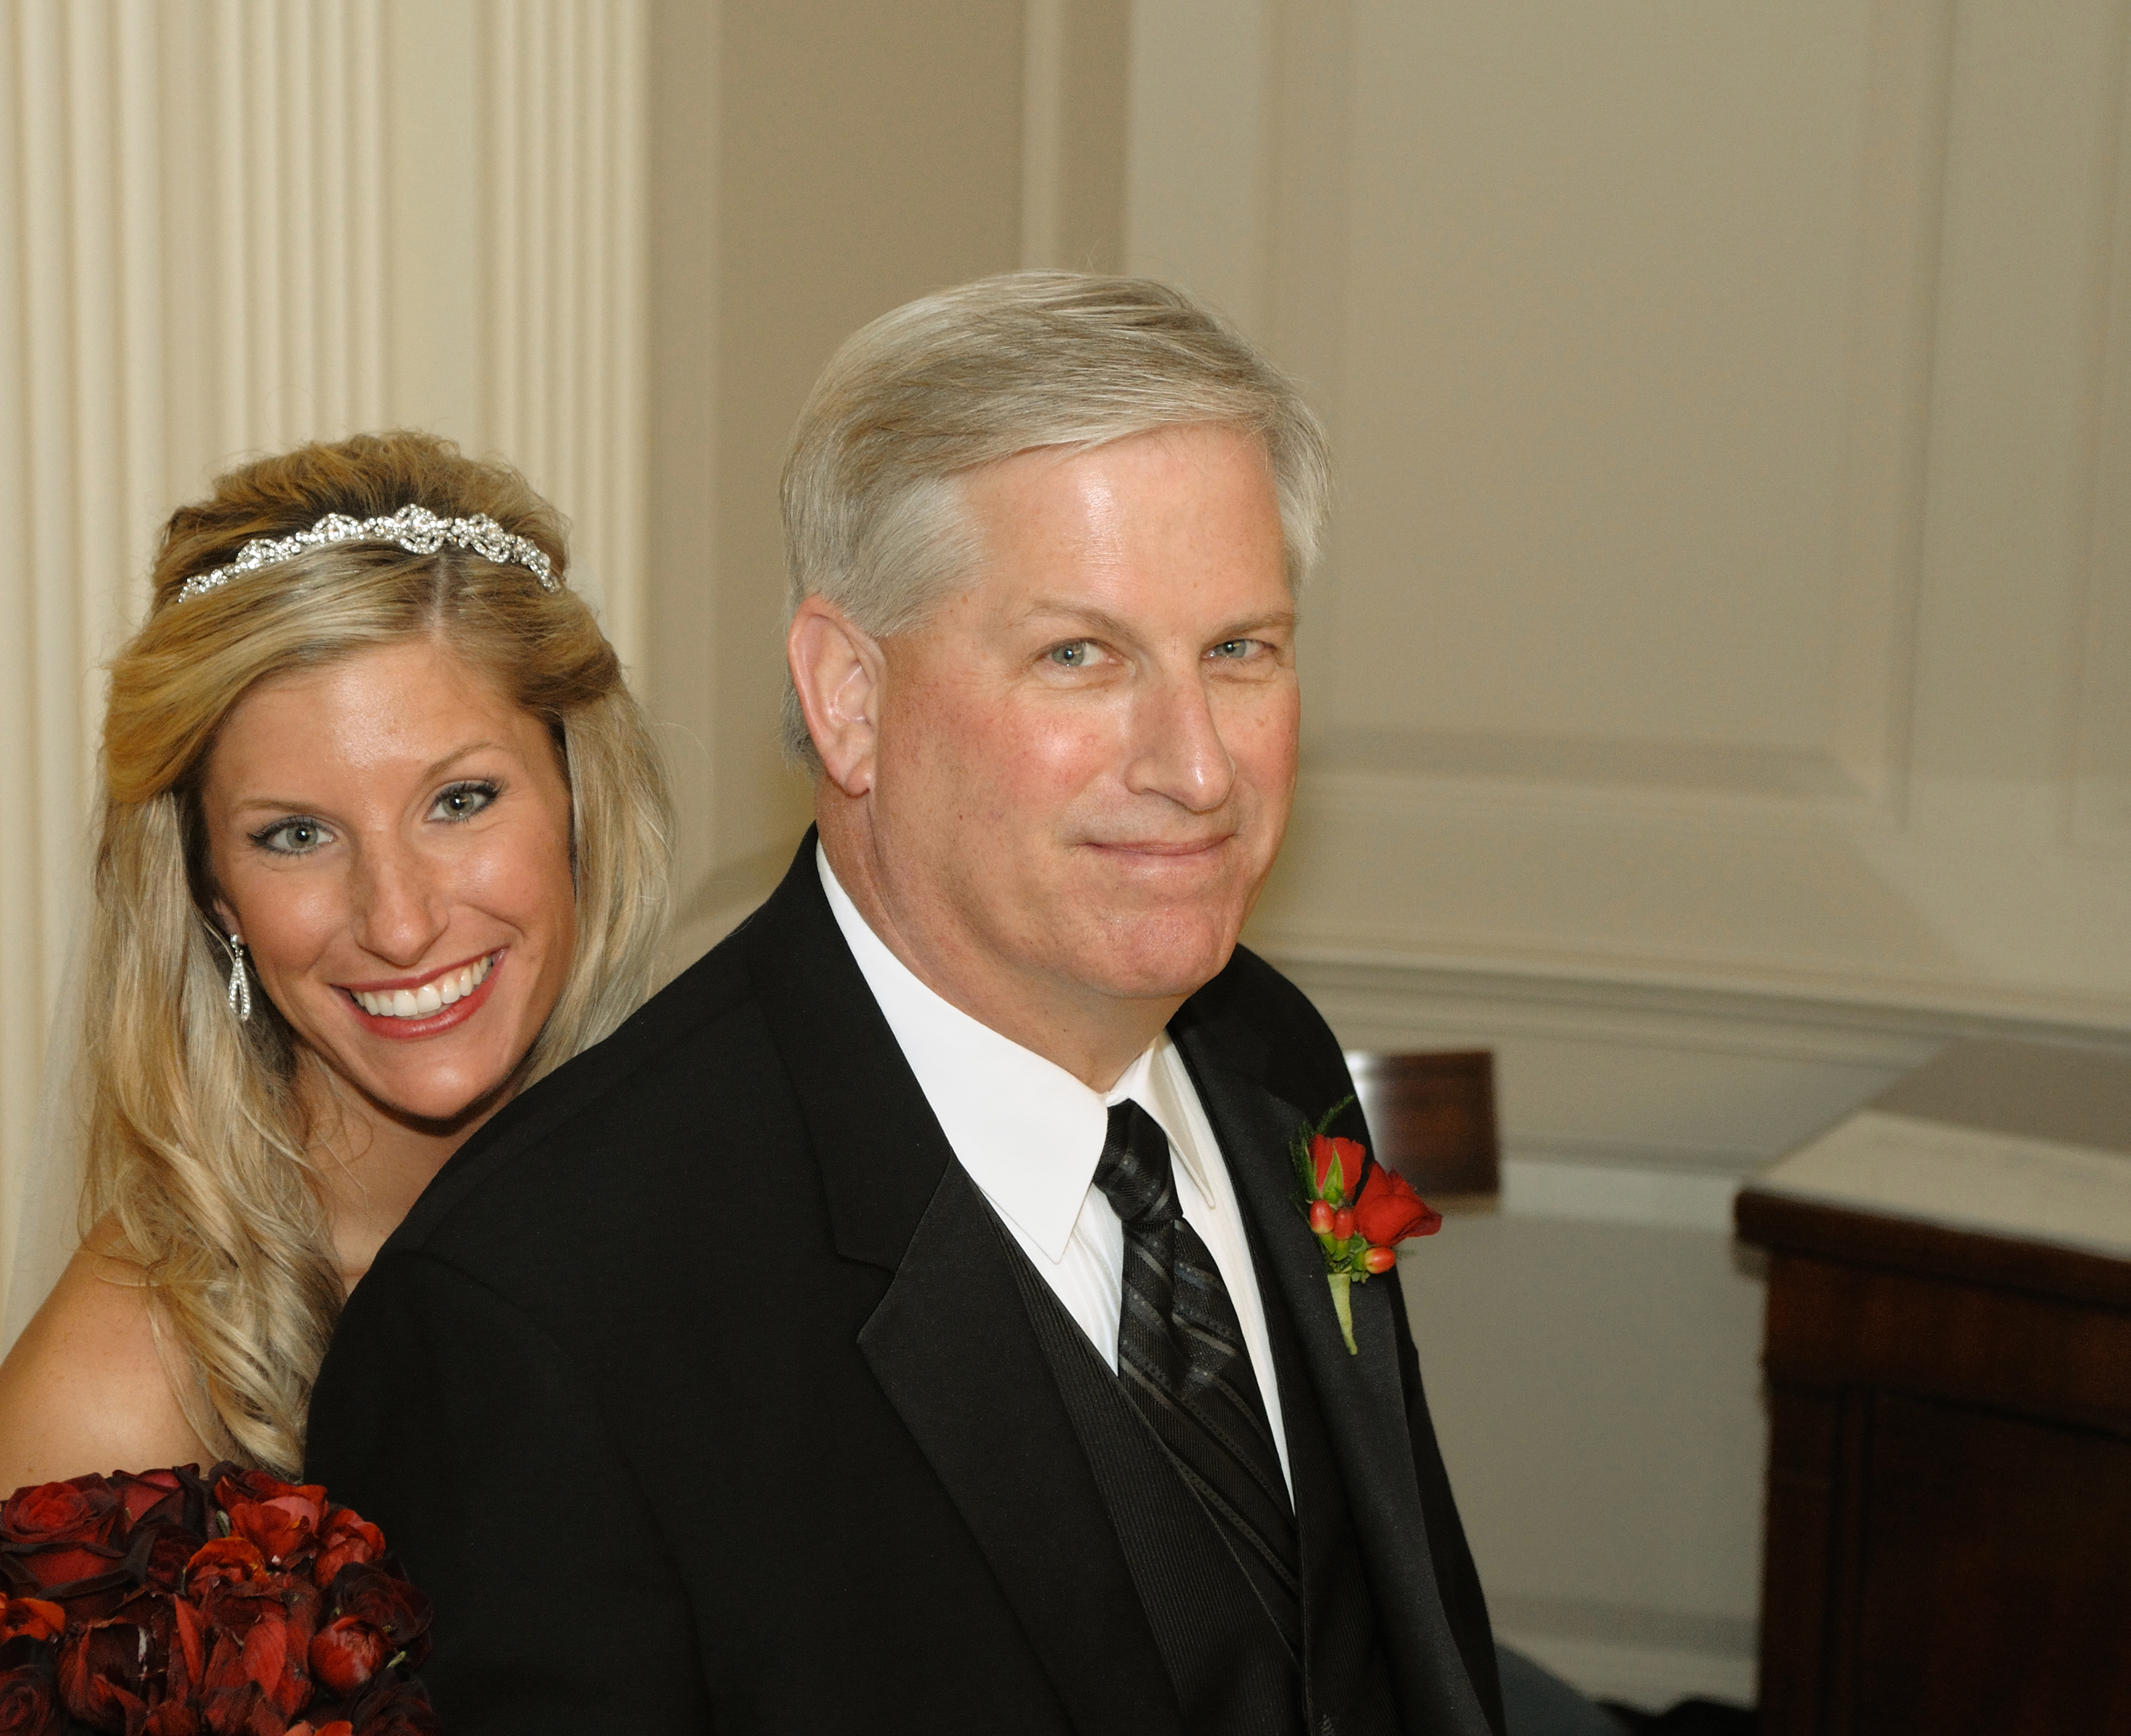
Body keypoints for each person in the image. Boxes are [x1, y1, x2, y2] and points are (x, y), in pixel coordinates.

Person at [306, 274, 1505, 1735]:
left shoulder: (1272, 1054)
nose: (1198, 767)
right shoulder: (537, 1318)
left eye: (1239, 649)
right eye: (1080, 656)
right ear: (849, 698)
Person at [0, 431, 671, 1579]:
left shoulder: (728, 1189)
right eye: (295, 834)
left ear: (580, 800)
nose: (399, 922)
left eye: (460, 801)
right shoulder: (121, 1402)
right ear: (212, 890)